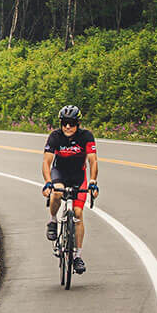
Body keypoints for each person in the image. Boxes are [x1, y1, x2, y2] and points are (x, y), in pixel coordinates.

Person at [42, 104, 98, 274]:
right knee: (57, 192)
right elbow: (47, 162)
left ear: (78, 123)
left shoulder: (86, 136)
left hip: (78, 176)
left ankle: (78, 256)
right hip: (60, 174)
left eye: (71, 123)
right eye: (64, 122)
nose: (67, 126)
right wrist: (48, 182)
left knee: (79, 214)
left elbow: (93, 160)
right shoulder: (55, 136)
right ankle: (53, 220)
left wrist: (93, 181)